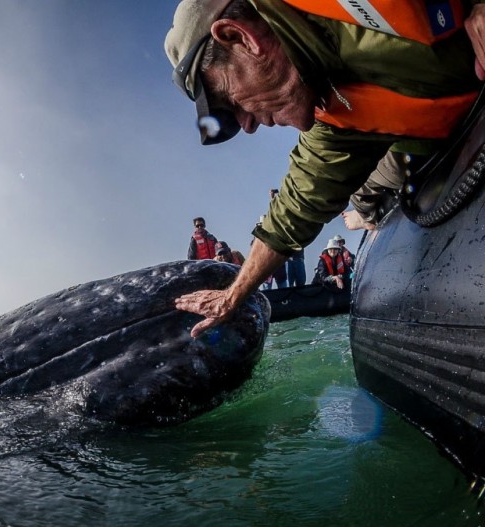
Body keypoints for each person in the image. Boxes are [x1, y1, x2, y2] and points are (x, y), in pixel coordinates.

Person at [166, 0, 485, 337]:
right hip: (430, 140)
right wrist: (232, 296)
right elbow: (295, 208)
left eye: (230, 104)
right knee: (376, 183)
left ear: (239, 37)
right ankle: (364, 210)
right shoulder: (332, 118)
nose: (245, 126)